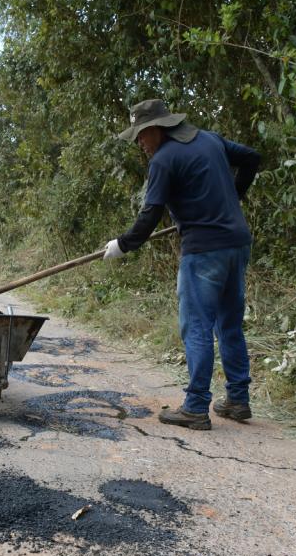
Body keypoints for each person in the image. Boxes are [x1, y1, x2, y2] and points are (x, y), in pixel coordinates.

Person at [106, 99, 261, 431]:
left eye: (140, 137)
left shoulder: (164, 159)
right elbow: (252, 158)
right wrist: (236, 195)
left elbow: (150, 213)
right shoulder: (211, 139)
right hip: (237, 244)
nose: (140, 144)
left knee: (197, 326)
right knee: (230, 324)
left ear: (155, 129)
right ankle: (237, 400)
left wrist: (123, 244)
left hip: (204, 251)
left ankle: (194, 408)